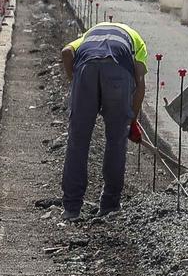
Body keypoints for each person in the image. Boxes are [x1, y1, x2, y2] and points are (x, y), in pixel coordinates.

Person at [58, 20, 147, 218]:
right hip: (118, 73)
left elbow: (66, 53)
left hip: (85, 70)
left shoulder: (89, 35)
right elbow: (140, 84)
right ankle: (109, 205)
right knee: (116, 141)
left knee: (77, 141)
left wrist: (77, 85)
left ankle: (71, 208)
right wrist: (130, 121)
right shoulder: (136, 40)